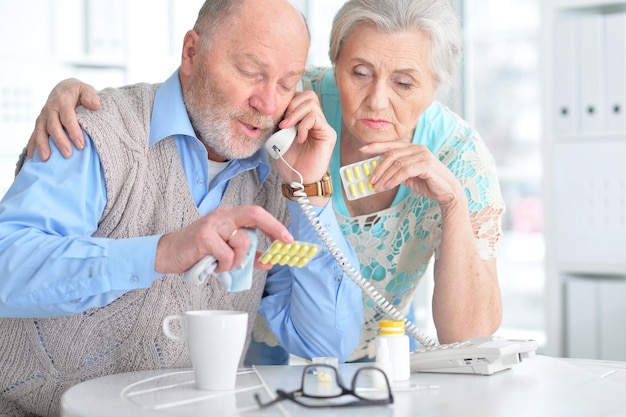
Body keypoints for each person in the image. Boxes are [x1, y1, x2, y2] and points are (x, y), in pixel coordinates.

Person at [29, 0, 505, 365]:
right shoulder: (292, 105)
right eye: (359, 73)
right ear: (333, 67)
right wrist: (78, 98)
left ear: (437, 85)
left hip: (376, 357)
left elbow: (470, 340)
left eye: (405, 83)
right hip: (242, 354)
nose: (377, 100)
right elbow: (202, 95)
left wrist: (454, 206)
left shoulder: (457, 157)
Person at [0, 1, 364, 416]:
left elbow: (329, 341)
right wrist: (161, 253)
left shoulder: (273, 177)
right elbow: (7, 261)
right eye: (251, 72)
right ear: (192, 52)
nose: (267, 104)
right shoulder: (96, 131)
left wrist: (309, 191)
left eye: (286, 84)